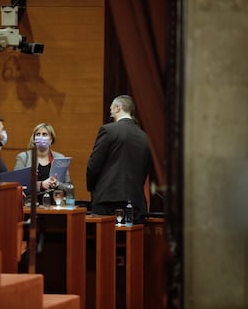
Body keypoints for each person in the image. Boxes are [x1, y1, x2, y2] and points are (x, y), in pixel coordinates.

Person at [86, 95, 151, 223]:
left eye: (111, 109)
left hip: (108, 200)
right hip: (135, 202)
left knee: (104, 241)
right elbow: (145, 170)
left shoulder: (108, 130)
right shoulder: (145, 137)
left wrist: (93, 188)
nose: (110, 113)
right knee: (131, 241)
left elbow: (94, 164)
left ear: (117, 108)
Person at [14, 123, 72, 203]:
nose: (41, 137)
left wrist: (58, 184)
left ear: (51, 139)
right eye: (38, 134)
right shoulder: (23, 158)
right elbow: (16, 186)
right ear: (34, 139)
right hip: (30, 206)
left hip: (55, 206)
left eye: (44, 134)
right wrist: (41, 185)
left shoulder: (60, 158)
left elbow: (69, 188)